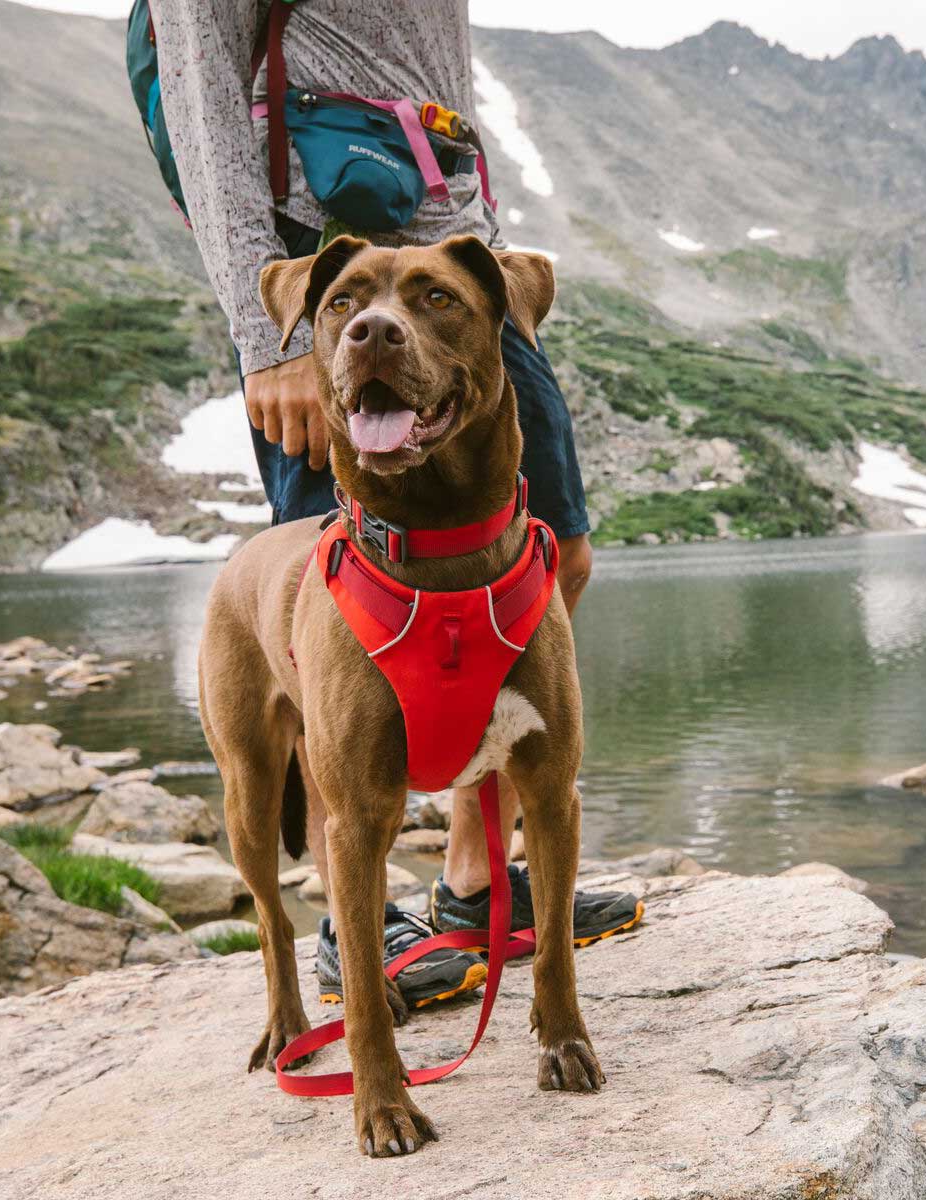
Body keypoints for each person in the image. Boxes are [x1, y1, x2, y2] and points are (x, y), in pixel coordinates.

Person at [151, 0, 641, 1009]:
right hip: (321, 264)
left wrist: (486, 254)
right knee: (335, 637)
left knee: (556, 555)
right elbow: (203, 105)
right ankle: (354, 924)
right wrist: (270, 336)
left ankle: (470, 874)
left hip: (456, 259)